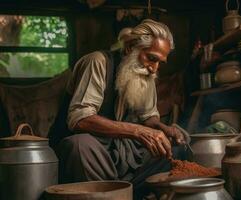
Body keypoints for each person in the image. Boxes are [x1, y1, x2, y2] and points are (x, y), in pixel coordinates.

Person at [51, 19, 187, 198]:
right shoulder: (97, 62)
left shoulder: (147, 74)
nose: (154, 68)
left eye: (160, 62)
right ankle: (109, 193)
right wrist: (139, 131)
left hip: (124, 155)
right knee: (79, 145)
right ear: (131, 48)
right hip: (95, 153)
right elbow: (80, 119)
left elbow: (148, 117)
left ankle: (128, 191)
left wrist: (163, 128)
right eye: (152, 58)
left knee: (177, 147)